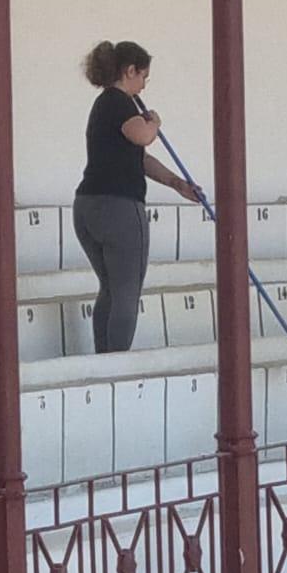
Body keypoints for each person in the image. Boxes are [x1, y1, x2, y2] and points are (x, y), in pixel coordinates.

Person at [73, 40, 200, 353]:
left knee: (111, 290)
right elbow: (143, 136)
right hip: (119, 208)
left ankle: (103, 356)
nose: (143, 86)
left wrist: (175, 182)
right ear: (130, 70)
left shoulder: (105, 106)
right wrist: (154, 122)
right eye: (143, 77)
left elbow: (136, 157)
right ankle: (116, 362)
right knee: (127, 294)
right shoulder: (120, 102)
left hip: (87, 206)